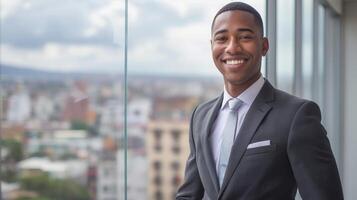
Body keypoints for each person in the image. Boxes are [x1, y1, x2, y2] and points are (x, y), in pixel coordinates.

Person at [176, 2, 343, 200]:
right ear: (212, 45)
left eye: (245, 37)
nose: (232, 47)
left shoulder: (297, 116)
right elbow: (188, 195)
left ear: (264, 46)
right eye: (222, 38)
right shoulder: (200, 117)